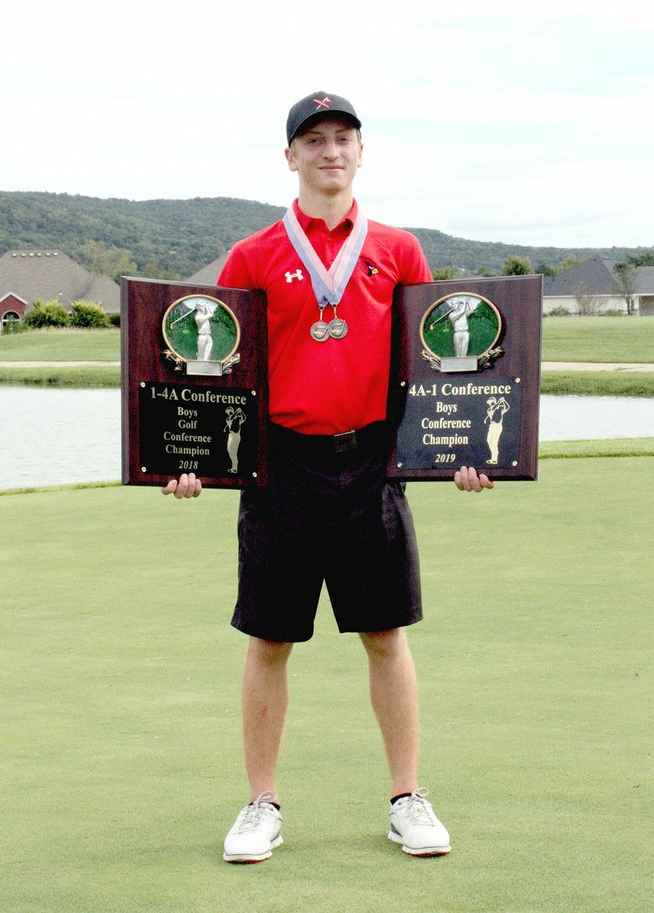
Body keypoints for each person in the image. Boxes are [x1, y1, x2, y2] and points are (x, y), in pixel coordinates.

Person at [162, 91, 493, 863]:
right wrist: (190, 456)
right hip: (281, 465)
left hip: (373, 461)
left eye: (343, 137)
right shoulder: (253, 255)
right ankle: (261, 804)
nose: (330, 151)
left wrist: (464, 447)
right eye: (314, 140)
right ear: (291, 157)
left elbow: (436, 366)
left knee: (386, 634)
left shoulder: (400, 249)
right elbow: (220, 373)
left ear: (361, 151)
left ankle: (407, 797)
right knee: (269, 638)